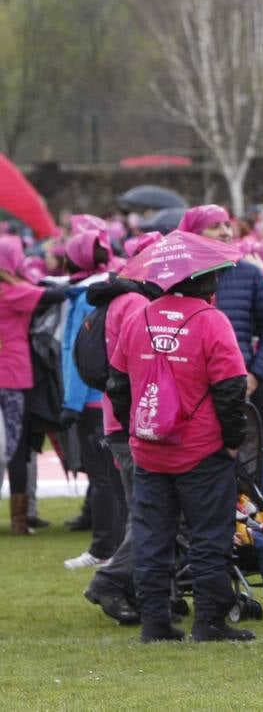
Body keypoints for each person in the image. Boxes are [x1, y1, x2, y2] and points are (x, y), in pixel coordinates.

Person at [106, 233, 253, 643]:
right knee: (209, 536)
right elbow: (231, 389)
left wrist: (135, 423)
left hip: (149, 449)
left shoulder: (139, 316)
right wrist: (232, 439)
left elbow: (117, 384)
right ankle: (209, 621)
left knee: (152, 537)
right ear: (207, 280)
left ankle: (154, 621)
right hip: (202, 449)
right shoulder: (210, 321)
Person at [83, 233, 165, 624]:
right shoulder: (135, 302)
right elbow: (139, 364)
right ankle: (111, 581)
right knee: (149, 514)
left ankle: (135, 585)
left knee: (143, 512)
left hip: (122, 419)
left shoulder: (120, 298)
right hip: (133, 420)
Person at [181, 206, 263, 495]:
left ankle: (256, 535)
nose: (226, 232)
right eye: (215, 226)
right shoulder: (180, 278)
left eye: (227, 225)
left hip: (246, 386)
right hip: (195, 389)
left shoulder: (249, 273)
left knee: (251, 467)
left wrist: (255, 374)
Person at [61, 227, 125, 570]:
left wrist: (69, 403)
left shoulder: (85, 295)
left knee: (103, 479)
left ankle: (104, 548)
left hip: (89, 400)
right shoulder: (106, 287)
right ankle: (116, 547)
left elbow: (77, 351)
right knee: (115, 478)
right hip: (107, 395)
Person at [0, 236, 66, 536]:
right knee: (15, 447)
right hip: (13, 375)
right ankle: (20, 520)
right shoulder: (11, 291)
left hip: (10, 374)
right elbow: (54, 296)